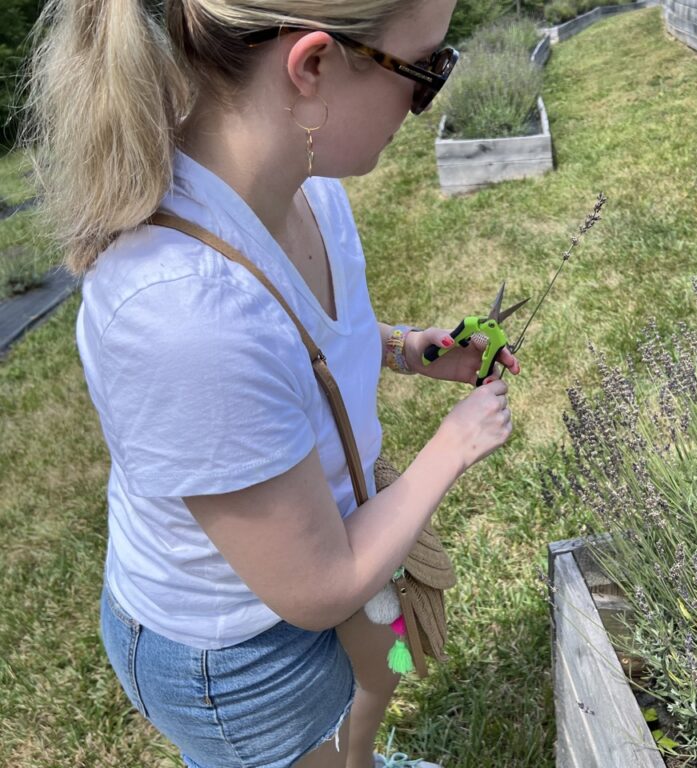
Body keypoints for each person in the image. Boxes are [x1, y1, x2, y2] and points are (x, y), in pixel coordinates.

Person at [24, 0, 521, 765]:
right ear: (313, 65)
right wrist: (453, 445)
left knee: (384, 665)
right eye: (425, 71)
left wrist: (405, 349)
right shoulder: (181, 315)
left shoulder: (308, 188)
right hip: (241, 658)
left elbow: (300, 342)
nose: (428, 101)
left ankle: (362, 757)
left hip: (347, 537)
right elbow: (318, 586)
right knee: (316, 733)